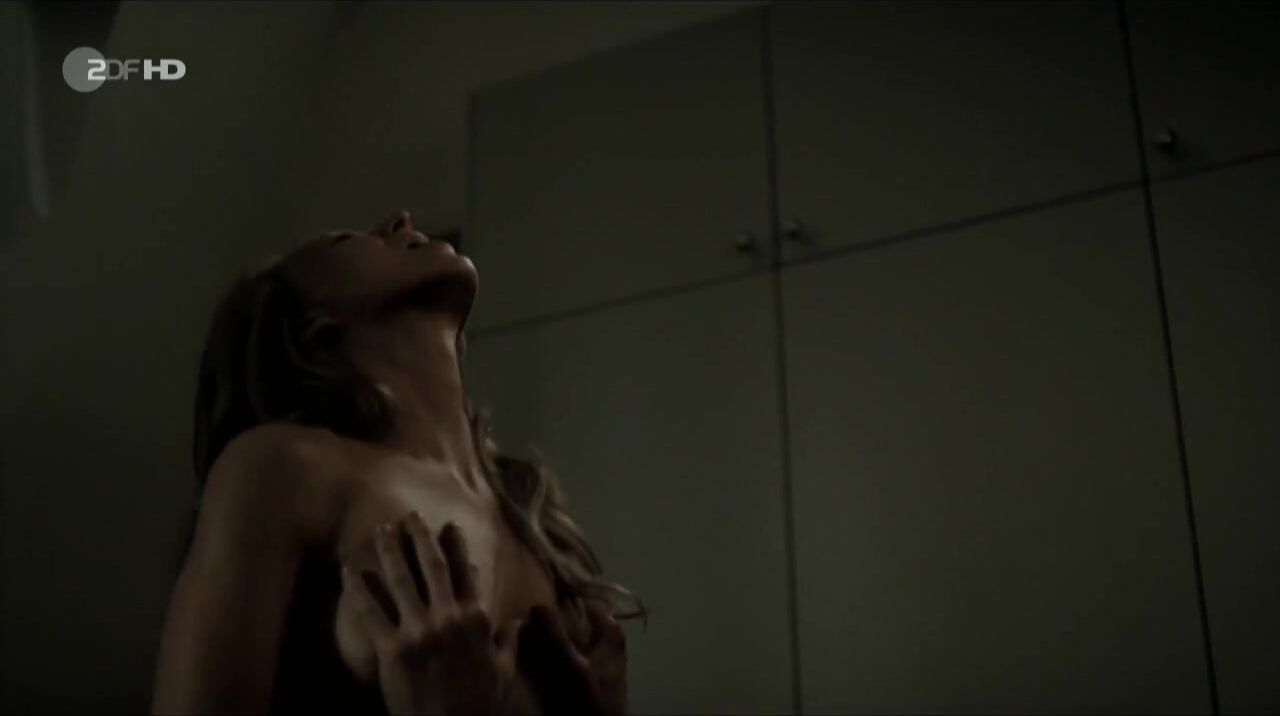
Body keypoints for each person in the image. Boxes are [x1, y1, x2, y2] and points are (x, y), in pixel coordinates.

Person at [151, 210, 641, 713]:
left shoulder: (532, 509)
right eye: (347, 239)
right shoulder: (284, 468)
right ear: (316, 323)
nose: (399, 219)